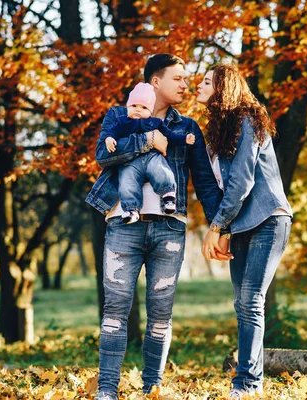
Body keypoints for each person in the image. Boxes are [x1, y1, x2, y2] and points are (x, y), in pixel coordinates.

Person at [85, 54, 227, 400]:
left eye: (186, 79)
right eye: (178, 78)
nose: (185, 84)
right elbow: (103, 157)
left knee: (161, 315)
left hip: (169, 229)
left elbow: (206, 183)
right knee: (115, 310)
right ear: (155, 82)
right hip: (123, 225)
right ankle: (107, 391)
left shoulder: (187, 128)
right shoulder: (120, 116)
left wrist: (219, 226)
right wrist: (147, 142)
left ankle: (152, 389)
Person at [197, 63, 293, 399]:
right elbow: (221, 188)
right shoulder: (218, 130)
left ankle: (248, 384)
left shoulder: (248, 119)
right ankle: (249, 380)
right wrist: (224, 229)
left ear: (223, 88)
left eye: (206, 82)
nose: (198, 86)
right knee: (242, 303)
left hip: (269, 219)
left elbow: (241, 183)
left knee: (251, 301)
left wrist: (217, 227)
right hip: (241, 225)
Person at [102, 82, 196, 223]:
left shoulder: (155, 122)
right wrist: (109, 139)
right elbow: (112, 132)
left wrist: (184, 139)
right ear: (127, 107)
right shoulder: (122, 122)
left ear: (150, 111)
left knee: (161, 171)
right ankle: (131, 209)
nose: (138, 110)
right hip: (130, 161)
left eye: (144, 107)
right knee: (127, 180)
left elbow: (170, 135)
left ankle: (169, 196)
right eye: (134, 106)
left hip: (152, 156)